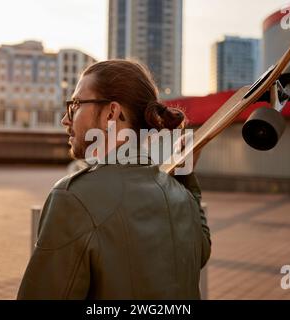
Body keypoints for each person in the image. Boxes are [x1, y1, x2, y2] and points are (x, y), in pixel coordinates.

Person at [17, 59, 211, 299]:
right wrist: (185, 173)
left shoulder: (74, 197)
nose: (65, 120)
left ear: (111, 112)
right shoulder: (181, 195)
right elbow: (202, 251)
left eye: (75, 104)